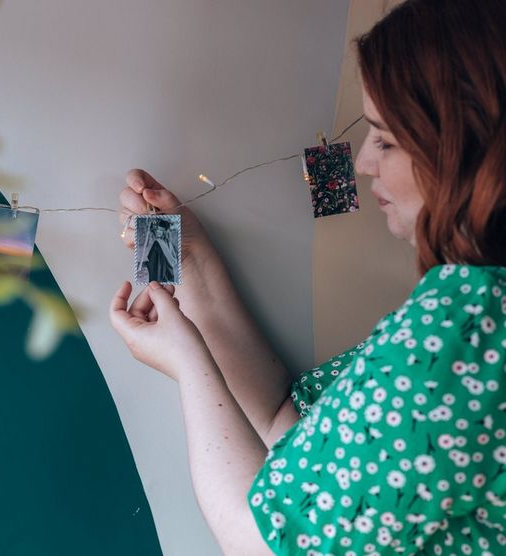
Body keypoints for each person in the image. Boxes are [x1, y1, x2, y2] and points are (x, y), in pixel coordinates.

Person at [109, 1, 506, 554]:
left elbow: (264, 544)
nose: (363, 162)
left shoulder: (464, 326)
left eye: (386, 140)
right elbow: (285, 425)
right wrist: (191, 262)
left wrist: (185, 362)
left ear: (467, 151)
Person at [138, 218, 178, 284]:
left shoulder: (159, 242)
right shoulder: (167, 241)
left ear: (164, 231)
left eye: (161, 230)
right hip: (166, 274)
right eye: (158, 229)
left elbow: (152, 258)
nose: (159, 231)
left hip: (159, 272)